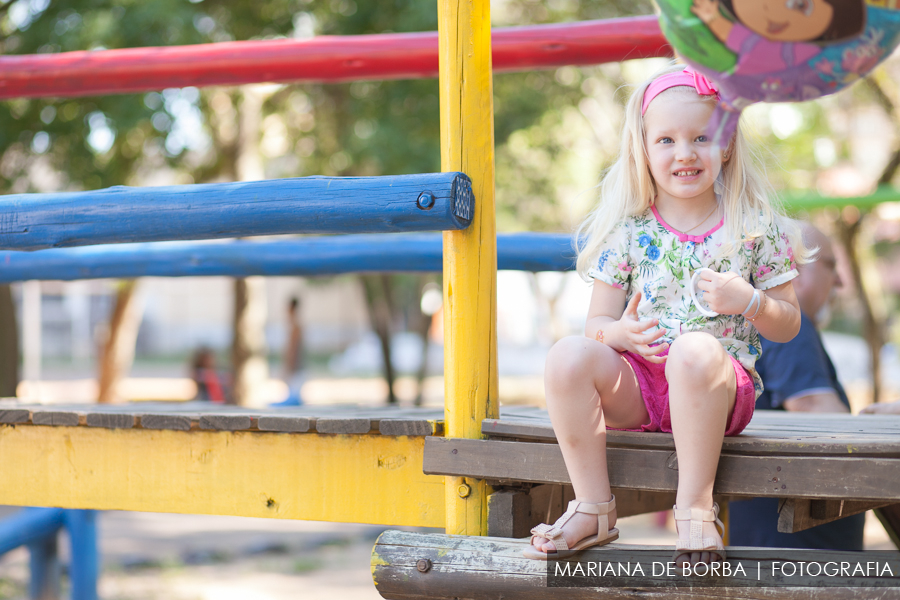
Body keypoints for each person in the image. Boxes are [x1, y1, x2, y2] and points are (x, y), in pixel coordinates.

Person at [523, 64, 811, 566]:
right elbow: (596, 326)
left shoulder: (753, 226)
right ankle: (592, 506)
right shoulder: (628, 231)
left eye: (701, 137)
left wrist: (750, 301)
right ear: (644, 149)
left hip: (716, 389)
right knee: (568, 355)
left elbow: (789, 322)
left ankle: (696, 506)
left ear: (726, 144)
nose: (684, 153)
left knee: (694, 350)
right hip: (640, 388)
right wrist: (621, 334)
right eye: (667, 140)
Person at [728, 224, 865, 550]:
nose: (840, 281)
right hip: (801, 561)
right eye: (831, 265)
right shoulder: (791, 327)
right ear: (792, 270)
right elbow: (815, 408)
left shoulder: (759, 325)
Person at [272, 296, 306, 407]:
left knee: (294, 399)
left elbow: (293, 350)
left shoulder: (296, 328)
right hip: (295, 368)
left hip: (296, 369)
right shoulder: (294, 327)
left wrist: (289, 366)